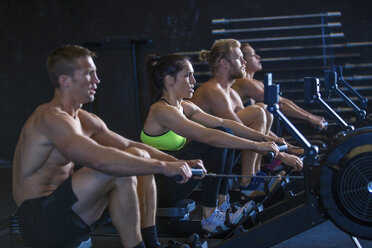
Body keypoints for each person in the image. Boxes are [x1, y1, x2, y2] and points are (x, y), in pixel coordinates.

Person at [12, 45, 201, 248]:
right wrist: (163, 167)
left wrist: (178, 162)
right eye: (89, 74)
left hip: (69, 213)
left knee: (138, 154)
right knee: (117, 169)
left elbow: (129, 144)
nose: (97, 80)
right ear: (65, 80)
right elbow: (99, 159)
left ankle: (150, 243)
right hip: (39, 222)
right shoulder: (50, 118)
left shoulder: (86, 119)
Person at [141, 54, 280, 233]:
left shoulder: (185, 107)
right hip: (159, 189)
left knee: (226, 132)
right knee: (217, 138)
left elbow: (224, 123)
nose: (194, 80)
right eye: (187, 75)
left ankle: (222, 203)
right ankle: (210, 213)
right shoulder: (161, 110)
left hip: (177, 178)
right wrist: (256, 147)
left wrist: (265, 138)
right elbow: (208, 136)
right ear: (169, 80)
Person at [191, 39, 303, 197]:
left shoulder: (232, 94)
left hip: (223, 149)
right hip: (201, 154)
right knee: (257, 112)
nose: (244, 61)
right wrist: (281, 156)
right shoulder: (212, 91)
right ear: (224, 63)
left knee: (262, 110)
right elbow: (237, 128)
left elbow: (251, 128)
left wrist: (287, 147)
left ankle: (254, 176)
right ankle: (247, 181)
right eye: (239, 57)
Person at [232, 42, 327, 131]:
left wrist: (311, 116)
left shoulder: (257, 82)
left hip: (256, 131)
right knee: (269, 108)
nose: (258, 57)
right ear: (243, 60)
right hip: (241, 133)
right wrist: (310, 118)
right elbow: (277, 103)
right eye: (253, 55)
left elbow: (283, 101)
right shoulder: (242, 81)